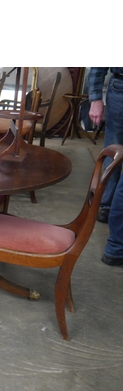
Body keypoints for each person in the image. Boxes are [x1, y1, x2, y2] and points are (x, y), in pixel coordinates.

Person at [89, 67, 123, 266]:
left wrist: (95, 98)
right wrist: (95, 99)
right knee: (113, 158)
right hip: (120, 88)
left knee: (114, 157)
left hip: (119, 88)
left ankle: (106, 205)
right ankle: (117, 247)